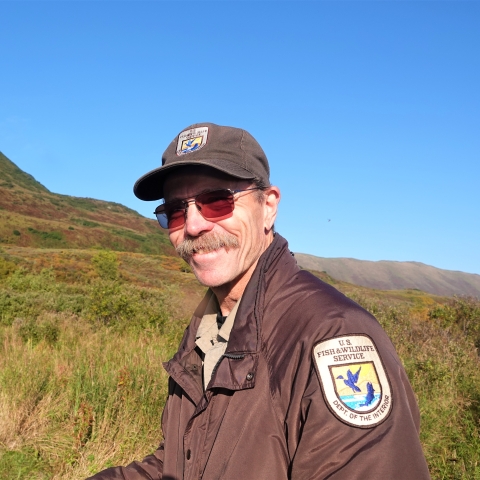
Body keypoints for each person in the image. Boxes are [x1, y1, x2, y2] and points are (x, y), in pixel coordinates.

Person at [88, 123, 431, 479]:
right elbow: (183, 462)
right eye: (175, 210)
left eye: (217, 202)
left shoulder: (332, 336)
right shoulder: (210, 326)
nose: (192, 226)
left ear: (268, 206)